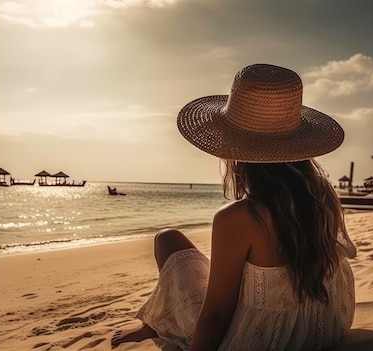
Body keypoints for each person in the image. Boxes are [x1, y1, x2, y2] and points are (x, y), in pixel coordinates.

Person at [111, 64, 356, 351]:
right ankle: (153, 323)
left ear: (233, 151)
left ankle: (154, 324)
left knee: (167, 239)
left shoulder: (239, 217)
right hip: (319, 330)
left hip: (257, 339)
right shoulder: (324, 199)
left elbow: (217, 312)